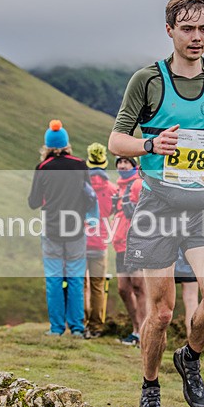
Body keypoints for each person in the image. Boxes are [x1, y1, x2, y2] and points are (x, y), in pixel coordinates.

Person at [108, 0, 204, 407]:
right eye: (187, 29)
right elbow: (116, 141)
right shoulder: (147, 81)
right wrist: (150, 144)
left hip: (203, 204)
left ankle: (190, 356)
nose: (197, 37)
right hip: (158, 205)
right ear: (169, 30)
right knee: (161, 313)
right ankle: (150, 388)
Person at [28, 119, 91, 337]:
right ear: (66, 144)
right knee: (75, 278)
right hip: (76, 230)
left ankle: (56, 329)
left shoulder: (43, 168)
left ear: (47, 145)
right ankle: (77, 328)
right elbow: (90, 198)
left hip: (52, 229)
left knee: (54, 279)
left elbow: (33, 202)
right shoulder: (80, 165)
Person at [111, 156, 147, 346]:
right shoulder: (119, 187)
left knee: (139, 287)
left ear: (134, 165)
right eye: (119, 162)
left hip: (135, 242)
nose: (122, 165)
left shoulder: (138, 184)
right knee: (123, 289)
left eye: (126, 162)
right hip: (119, 244)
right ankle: (136, 329)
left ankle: (144, 332)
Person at [84, 142, 117, 339]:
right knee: (97, 286)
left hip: (78, 241)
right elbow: (114, 211)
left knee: (80, 285)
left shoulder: (80, 187)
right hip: (99, 242)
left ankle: (80, 323)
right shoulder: (112, 189)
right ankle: (95, 326)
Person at [174, 248, 199, 338]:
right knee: (191, 299)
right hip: (189, 250)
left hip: (164, 248)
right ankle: (192, 346)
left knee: (160, 302)